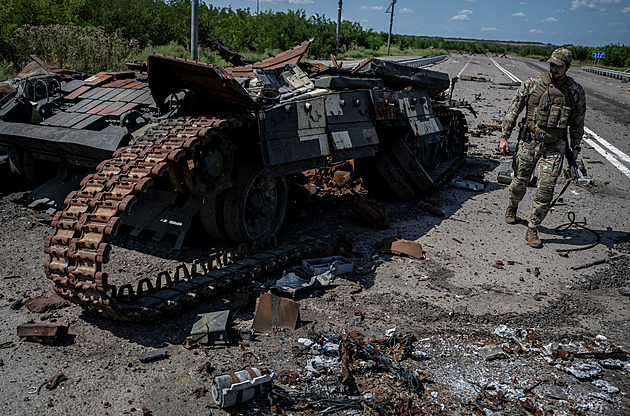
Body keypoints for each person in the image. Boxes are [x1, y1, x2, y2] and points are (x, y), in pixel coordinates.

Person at [499, 47, 586, 248]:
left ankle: (533, 227)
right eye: (551, 64)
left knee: (546, 189)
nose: (553, 69)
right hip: (529, 143)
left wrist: (576, 147)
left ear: (568, 67)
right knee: (520, 181)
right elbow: (514, 109)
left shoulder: (574, 91)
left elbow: (578, 122)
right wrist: (504, 137)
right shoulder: (532, 84)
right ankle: (512, 206)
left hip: (555, 146)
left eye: (558, 66)